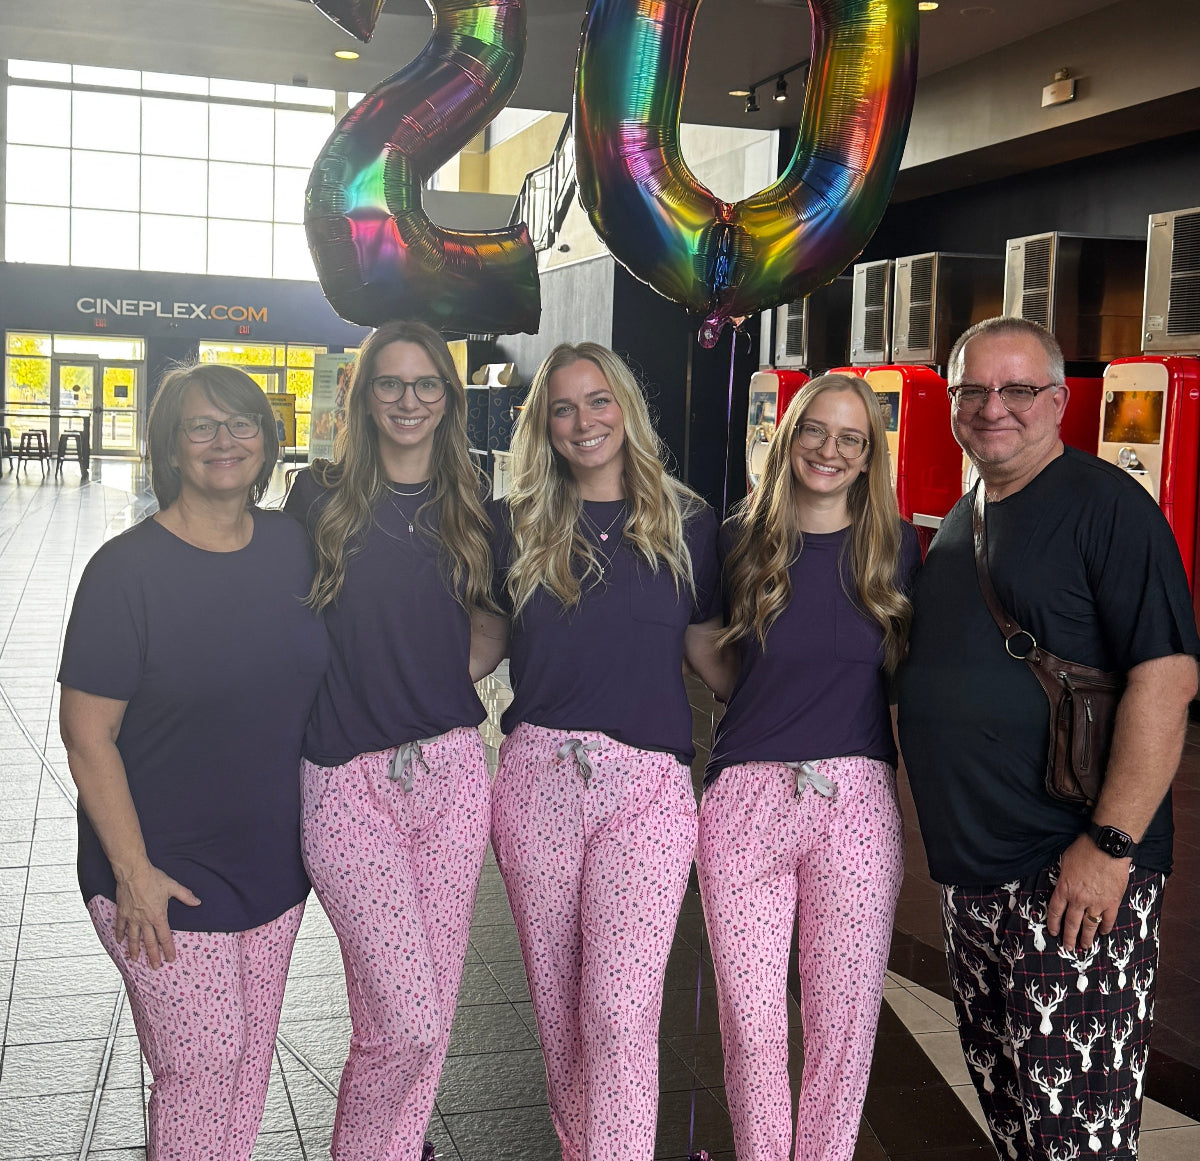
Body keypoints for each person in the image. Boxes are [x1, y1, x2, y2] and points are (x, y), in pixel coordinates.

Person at [896, 316, 1199, 1161]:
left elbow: (1167, 679)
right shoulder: (965, 518)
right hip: (977, 889)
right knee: (1017, 1121)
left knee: (1079, 1140)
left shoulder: (1108, 509)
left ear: (1060, 400)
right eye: (974, 390)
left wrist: (1108, 845)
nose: (995, 407)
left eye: (1018, 388)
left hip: (1071, 882)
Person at [58, 364, 329, 1161]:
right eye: (202, 426)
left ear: (267, 439)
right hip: (163, 873)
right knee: (199, 1068)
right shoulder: (126, 571)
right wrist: (133, 871)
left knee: (245, 1067)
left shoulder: (292, 545)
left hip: (274, 870)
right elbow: (85, 734)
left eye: (243, 422)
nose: (225, 440)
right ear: (171, 447)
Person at [482, 342, 727, 1161]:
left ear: (626, 408)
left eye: (598, 402)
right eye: (562, 407)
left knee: (620, 1014)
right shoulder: (513, 520)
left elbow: (707, 646)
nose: (582, 421)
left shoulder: (690, 522)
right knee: (559, 1014)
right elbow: (481, 634)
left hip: (648, 789)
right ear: (543, 426)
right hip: (536, 780)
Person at [284, 320, 496, 1161]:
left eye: (426, 385)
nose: (409, 400)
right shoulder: (319, 495)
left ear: (448, 398)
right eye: (391, 383)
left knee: (426, 1009)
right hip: (344, 779)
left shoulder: (471, 503)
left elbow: (494, 618)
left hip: (448, 773)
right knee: (404, 1013)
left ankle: (395, 1148)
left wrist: (441, 677)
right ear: (364, 394)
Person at [695, 373, 920, 1161]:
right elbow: (701, 641)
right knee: (752, 1027)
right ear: (789, 436)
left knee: (843, 1024)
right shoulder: (735, 539)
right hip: (745, 800)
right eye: (816, 430)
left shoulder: (898, 547)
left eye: (850, 438)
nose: (830, 448)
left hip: (854, 804)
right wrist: (760, 699)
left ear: (868, 457)